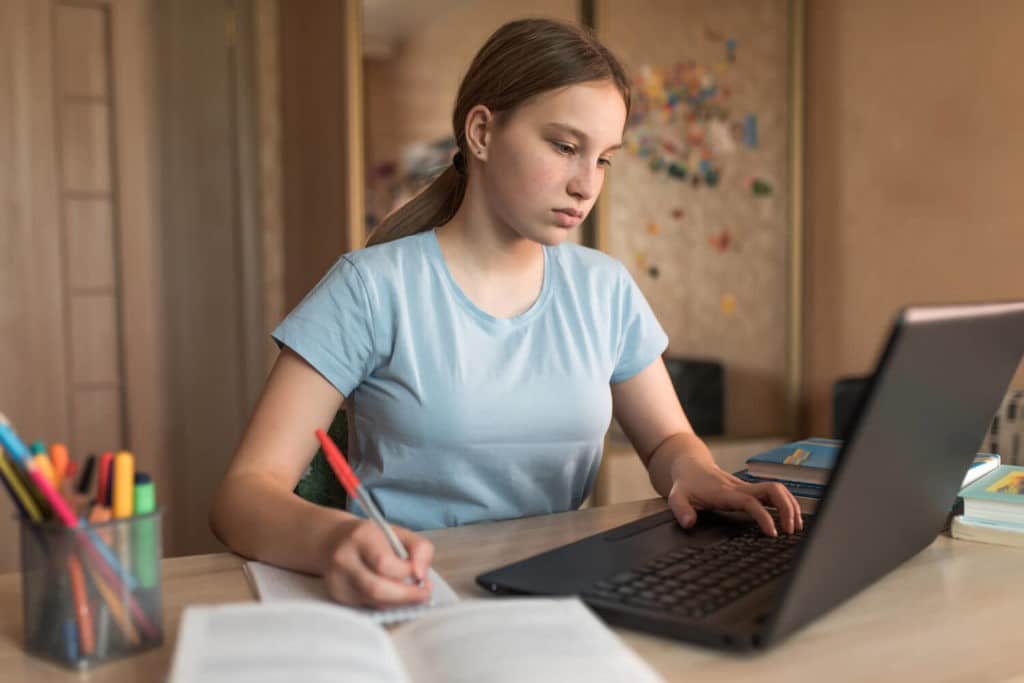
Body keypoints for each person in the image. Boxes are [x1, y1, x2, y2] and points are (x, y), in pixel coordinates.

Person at [209, 17, 801, 610]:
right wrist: (335, 538)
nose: (585, 184)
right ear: (482, 132)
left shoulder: (605, 290)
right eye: (566, 147)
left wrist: (693, 469)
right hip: (408, 594)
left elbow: (667, 440)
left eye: (604, 160)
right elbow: (242, 495)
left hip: (558, 596)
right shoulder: (370, 288)